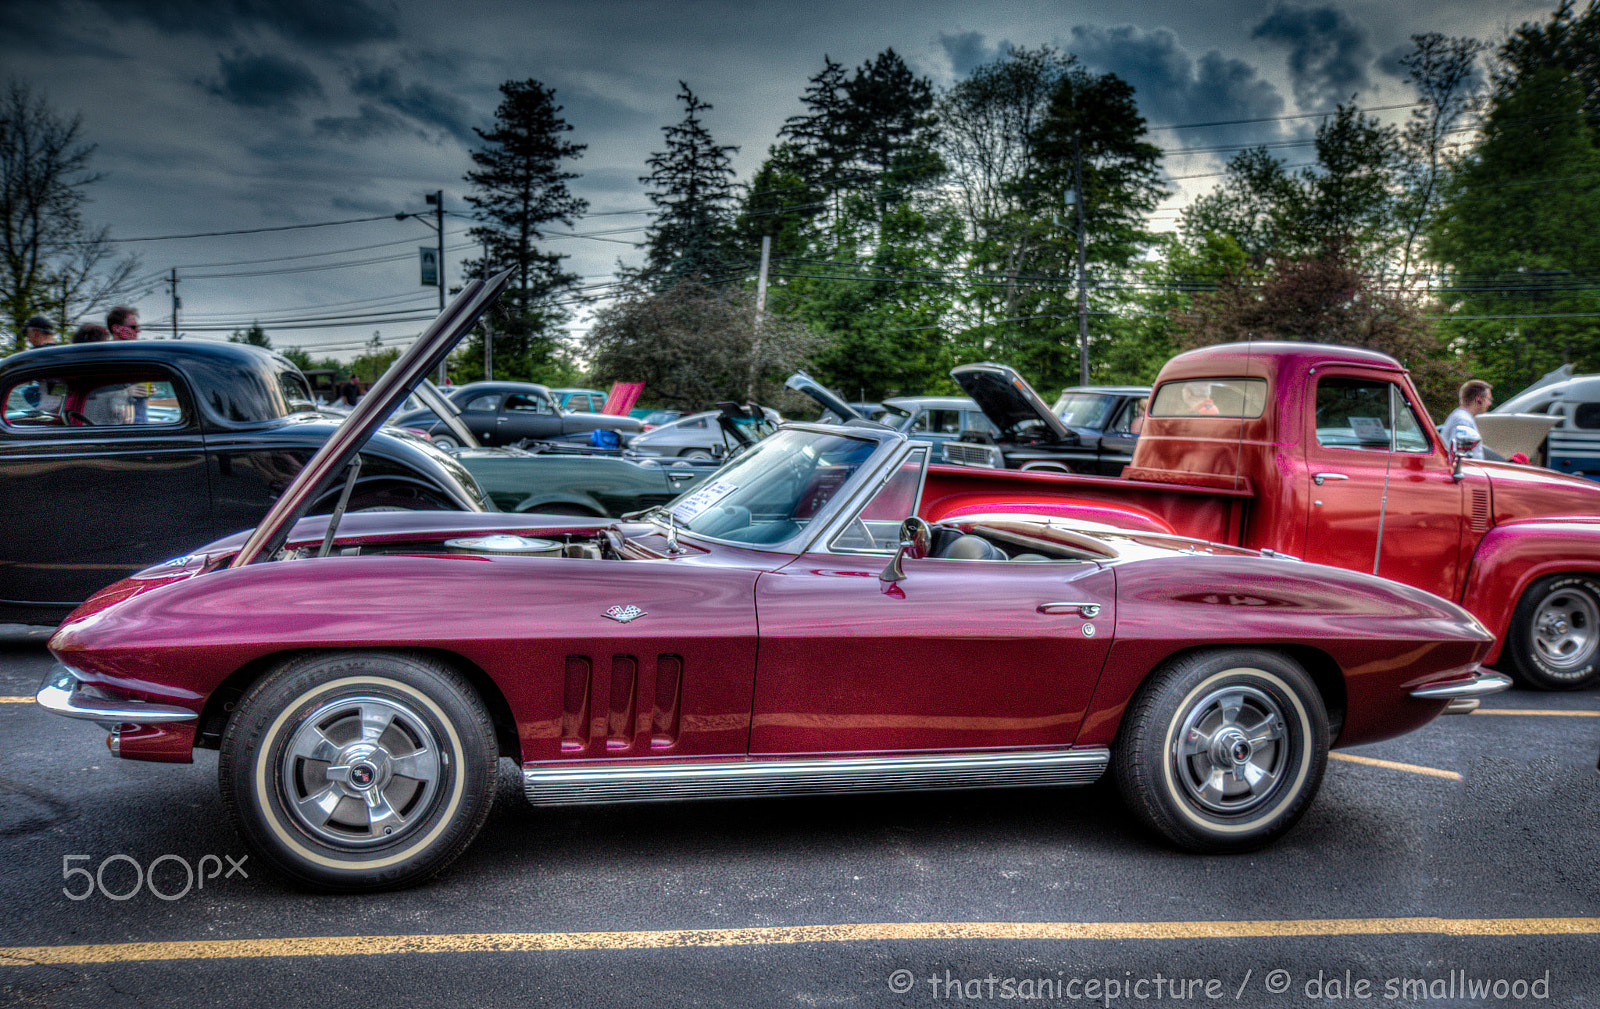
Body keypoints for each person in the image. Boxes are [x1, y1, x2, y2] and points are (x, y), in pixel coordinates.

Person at [1440, 379, 1492, 459]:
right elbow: (1459, 457)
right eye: (1489, 399)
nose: (1490, 403)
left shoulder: (1461, 417)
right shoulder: (1463, 421)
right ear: (1479, 400)